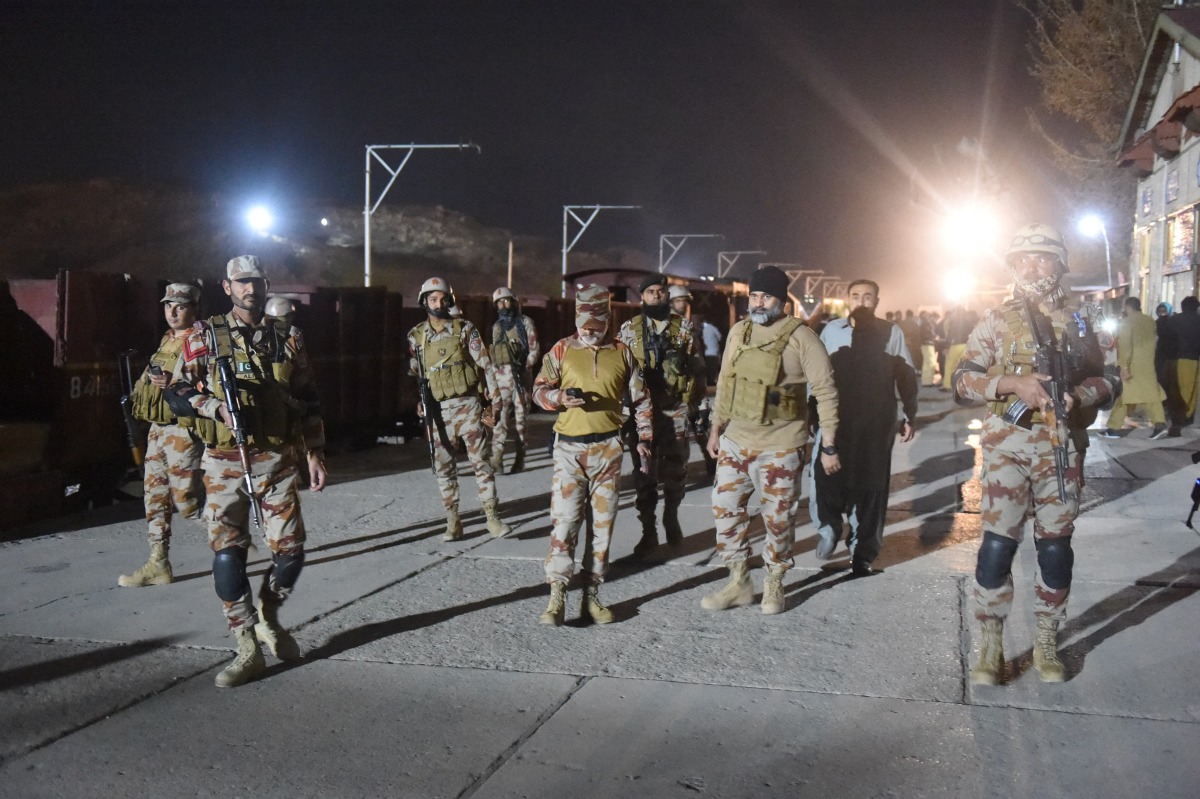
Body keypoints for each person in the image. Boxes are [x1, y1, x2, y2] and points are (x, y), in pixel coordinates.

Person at [953, 225, 1115, 685]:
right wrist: (1010, 385)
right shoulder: (996, 321)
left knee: (1055, 549)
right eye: (1022, 259)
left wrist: (1078, 396)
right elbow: (962, 381)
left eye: (1042, 258)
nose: (1031, 267)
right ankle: (990, 643)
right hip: (1008, 448)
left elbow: (1109, 383)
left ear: (1059, 265)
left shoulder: (1081, 322)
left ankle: (1047, 637)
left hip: (1061, 451)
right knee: (997, 547)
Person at [165, 256, 328, 688]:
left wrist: (315, 452)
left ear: (266, 283)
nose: (249, 288)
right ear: (227, 286)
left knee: (291, 551)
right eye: (241, 282)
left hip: (275, 458)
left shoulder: (287, 337)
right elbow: (176, 390)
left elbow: (308, 397)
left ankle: (268, 618)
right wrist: (214, 406)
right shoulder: (206, 335)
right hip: (222, 463)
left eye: (255, 281)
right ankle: (245, 644)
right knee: (227, 553)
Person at [702, 266, 840, 615]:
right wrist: (716, 428)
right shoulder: (739, 331)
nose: (759, 303)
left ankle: (774, 581)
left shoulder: (802, 338)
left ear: (782, 301)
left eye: (766, 296)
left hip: (781, 445)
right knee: (726, 512)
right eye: (754, 296)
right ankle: (738, 581)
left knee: (778, 520)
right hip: (736, 441)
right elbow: (725, 382)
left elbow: (826, 393)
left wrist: (829, 444)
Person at [532, 285, 652, 625]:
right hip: (570, 449)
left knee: (603, 526)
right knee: (566, 520)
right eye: (585, 324)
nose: (590, 331)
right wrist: (557, 399)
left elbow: (641, 401)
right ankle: (557, 595)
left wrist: (643, 439)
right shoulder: (562, 350)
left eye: (597, 325)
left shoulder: (623, 353)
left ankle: (592, 595)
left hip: (608, 450)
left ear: (608, 321)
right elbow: (537, 391)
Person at [812, 301, 918, 576]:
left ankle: (862, 554)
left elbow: (908, 381)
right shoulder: (837, 356)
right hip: (840, 430)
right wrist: (812, 418)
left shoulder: (888, 358)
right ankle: (833, 530)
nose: (863, 338)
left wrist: (909, 414)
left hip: (873, 434)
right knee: (830, 484)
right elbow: (816, 385)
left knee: (869, 494)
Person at [409, 277, 512, 541]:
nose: (438, 304)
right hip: (438, 412)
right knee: (444, 468)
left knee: (481, 463)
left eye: (443, 299)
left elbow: (486, 365)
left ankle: (492, 517)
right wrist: (420, 402)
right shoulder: (416, 337)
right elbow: (418, 374)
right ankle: (453, 520)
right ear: (424, 302)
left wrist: (496, 400)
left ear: (450, 301)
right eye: (433, 299)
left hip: (468, 406)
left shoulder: (465, 329)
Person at [117, 283, 206, 588]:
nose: (173, 311)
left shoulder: (201, 341)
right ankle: (159, 563)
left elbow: (207, 387)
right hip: (158, 431)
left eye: (180, 306)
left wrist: (175, 382)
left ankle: (232, 540)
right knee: (154, 497)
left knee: (187, 501)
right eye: (168, 305)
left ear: (193, 309)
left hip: (184, 431)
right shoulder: (167, 340)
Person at [619, 274, 702, 554]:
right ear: (642, 297)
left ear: (668, 296)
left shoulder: (683, 330)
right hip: (642, 413)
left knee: (676, 468)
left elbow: (697, 370)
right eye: (651, 291)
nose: (657, 296)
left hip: (674, 408)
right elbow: (618, 373)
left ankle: (671, 514)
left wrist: (697, 407)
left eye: (661, 291)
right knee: (644, 472)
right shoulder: (628, 331)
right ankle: (648, 530)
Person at [1099, 297, 1167, 439]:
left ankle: (1113, 429)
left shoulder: (1127, 322)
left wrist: (1124, 366)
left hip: (1132, 366)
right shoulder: (1149, 321)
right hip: (1147, 364)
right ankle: (1160, 424)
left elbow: (1126, 346)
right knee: (1151, 396)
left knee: (1124, 397)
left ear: (1128, 307)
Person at [488, 287, 540, 474]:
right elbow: (495, 356)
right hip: (502, 380)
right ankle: (497, 459)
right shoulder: (497, 327)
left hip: (521, 380)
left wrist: (525, 365)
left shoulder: (525, 323)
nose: (504, 305)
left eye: (507, 301)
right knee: (500, 421)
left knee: (520, 423)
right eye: (500, 302)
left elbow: (534, 349)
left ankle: (520, 458)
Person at [1167, 296, 1200, 430]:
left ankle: (1174, 412)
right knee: (1189, 389)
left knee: (1175, 387)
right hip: (1192, 358)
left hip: (1173, 359)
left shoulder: (1173, 320)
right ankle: (1184, 415)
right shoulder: (1198, 321)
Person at [897, 309, 924, 377]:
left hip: (904, 343)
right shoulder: (914, 324)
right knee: (914, 358)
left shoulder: (901, 323)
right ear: (912, 315)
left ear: (906, 315)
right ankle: (915, 371)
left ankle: (905, 372)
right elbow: (918, 334)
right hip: (913, 344)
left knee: (905, 358)